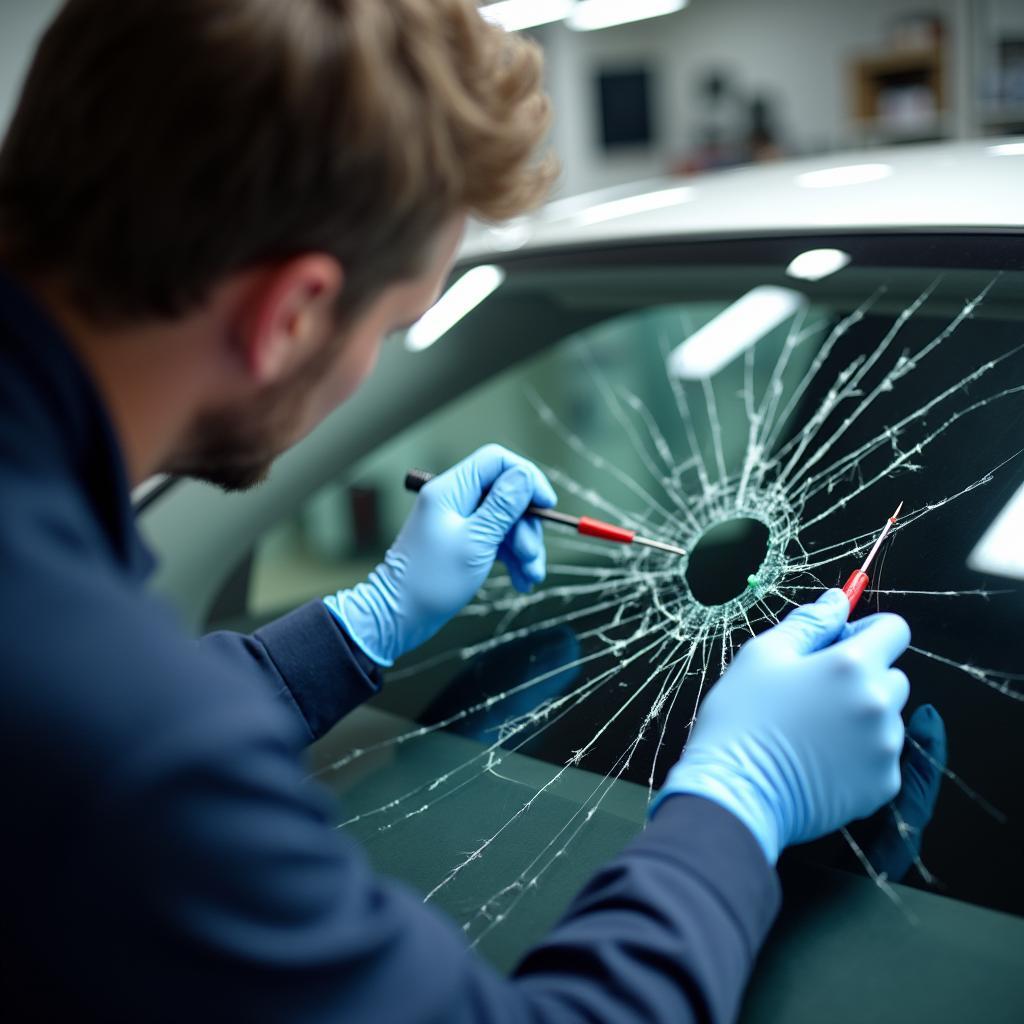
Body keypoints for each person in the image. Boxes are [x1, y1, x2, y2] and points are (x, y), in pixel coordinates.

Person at [0, 2, 921, 1021]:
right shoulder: (135, 754)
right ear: (291, 314)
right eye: (396, 326)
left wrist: (355, 626)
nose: (367, 366)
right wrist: (737, 801)